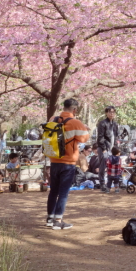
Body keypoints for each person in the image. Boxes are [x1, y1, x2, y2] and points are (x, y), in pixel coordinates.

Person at [47, 98, 90, 230]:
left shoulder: (52, 119)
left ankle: (50, 218)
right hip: (68, 162)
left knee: (53, 191)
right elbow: (84, 138)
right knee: (63, 192)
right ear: (75, 109)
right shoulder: (75, 123)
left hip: (54, 160)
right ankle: (58, 220)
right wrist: (85, 128)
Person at [96, 106, 117, 193]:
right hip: (103, 147)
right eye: (110, 112)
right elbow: (100, 138)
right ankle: (102, 183)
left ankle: (111, 183)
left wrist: (115, 148)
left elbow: (116, 137)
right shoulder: (102, 123)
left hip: (112, 148)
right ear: (106, 113)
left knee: (113, 165)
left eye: (113, 112)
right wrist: (104, 148)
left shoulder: (115, 124)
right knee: (103, 165)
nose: (112, 113)